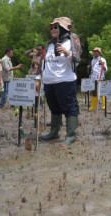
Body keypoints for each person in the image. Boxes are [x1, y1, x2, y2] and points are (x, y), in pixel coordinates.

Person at [39, 17, 79, 146]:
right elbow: (44, 63)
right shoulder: (50, 44)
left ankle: (71, 135)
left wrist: (67, 53)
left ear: (62, 29)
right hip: (49, 81)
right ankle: (54, 131)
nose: (52, 29)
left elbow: (77, 60)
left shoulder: (71, 42)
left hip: (65, 80)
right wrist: (39, 78)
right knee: (54, 107)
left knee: (69, 107)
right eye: (51, 27)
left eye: (56, 27)